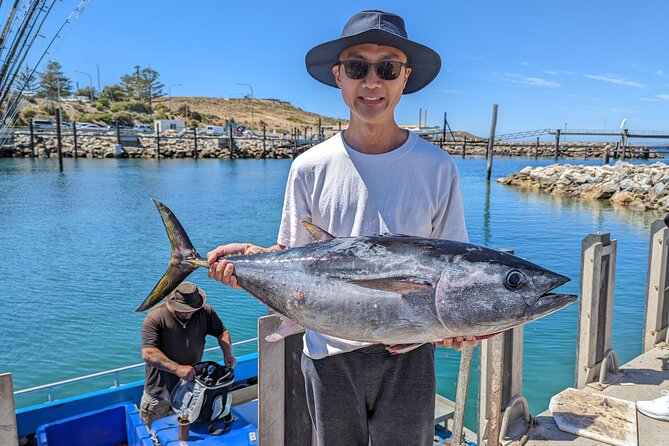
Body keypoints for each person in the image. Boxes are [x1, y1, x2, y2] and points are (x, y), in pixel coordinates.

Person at [208, 10, 475, 445]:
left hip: (409, 354)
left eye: (387, 68)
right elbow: (294, 257)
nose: (372, 82)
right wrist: (251, 262)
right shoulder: (309, 166)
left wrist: (458, 324)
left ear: (404, 77)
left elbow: (454, 273)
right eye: (357, 68)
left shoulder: (437, 167)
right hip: (327, 354)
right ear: (339, 76)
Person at [139, 281, 236, 426]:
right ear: (171, 303)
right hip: (159, 394)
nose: (188, 313)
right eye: (183, 309)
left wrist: (228, 354)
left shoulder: (205, 311)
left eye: (192, 309)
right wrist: (177, 368)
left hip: (190, 391)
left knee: (184, 433)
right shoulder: (155, 317)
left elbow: (222, 332)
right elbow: (148, 353)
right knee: (153, 433)